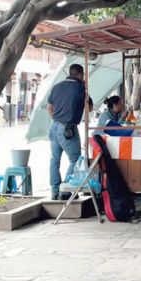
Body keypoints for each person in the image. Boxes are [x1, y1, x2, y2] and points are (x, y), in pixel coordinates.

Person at [46, 64, 92, 201]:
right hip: (68, 129)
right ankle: (65, 190)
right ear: (80, 75)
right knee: (76, 160)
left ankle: (54, 192)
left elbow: (49, 108)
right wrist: (85, 89)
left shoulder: (56, 86)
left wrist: (57, 121)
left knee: (54, 160)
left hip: (53, 126)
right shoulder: (80, 88)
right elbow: (89, 108)